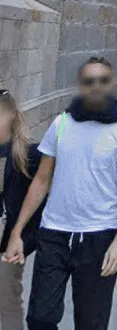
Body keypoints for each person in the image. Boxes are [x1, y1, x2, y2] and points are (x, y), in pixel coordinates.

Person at [4, 57, 117, 330]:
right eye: (89, 81)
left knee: (91, 323)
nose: (96, 87)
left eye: (102, 80)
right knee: (40, 319)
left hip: (99, 237)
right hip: (54, 235)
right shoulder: (61, 124)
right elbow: (42, 180)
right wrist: (17, 232)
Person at [0, 90, 42, 330]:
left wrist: (25, 243)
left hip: (8, 249)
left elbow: (41, 208)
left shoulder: (29, 156)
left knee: (8, 304)